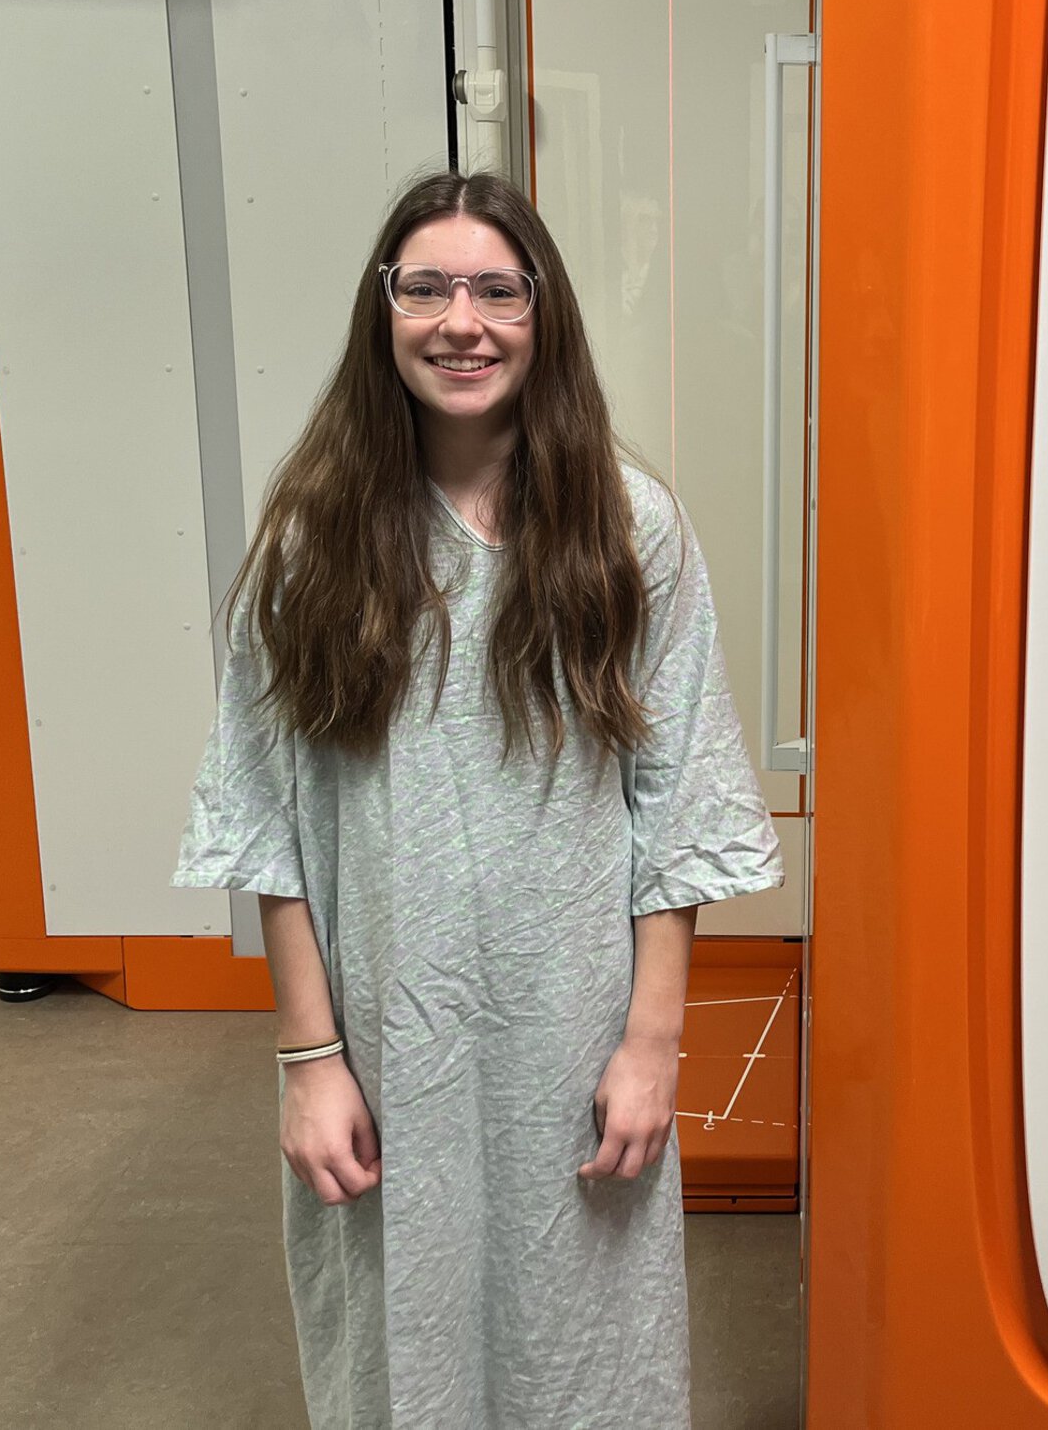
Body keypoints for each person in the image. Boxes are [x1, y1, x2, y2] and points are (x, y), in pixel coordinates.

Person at [173, 171, 782, 1428]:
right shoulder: (314, 540)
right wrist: (308, 1060)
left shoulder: (631, 531)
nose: (463, 319)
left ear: (542, 313)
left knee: (586, 1347)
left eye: (497, 288)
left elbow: (677, 810)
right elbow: (268, 817)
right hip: (387, 1051)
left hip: (573, 1047)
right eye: (427, 287)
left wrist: (651, 1046)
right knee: (403, 1351)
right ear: (382, 312)